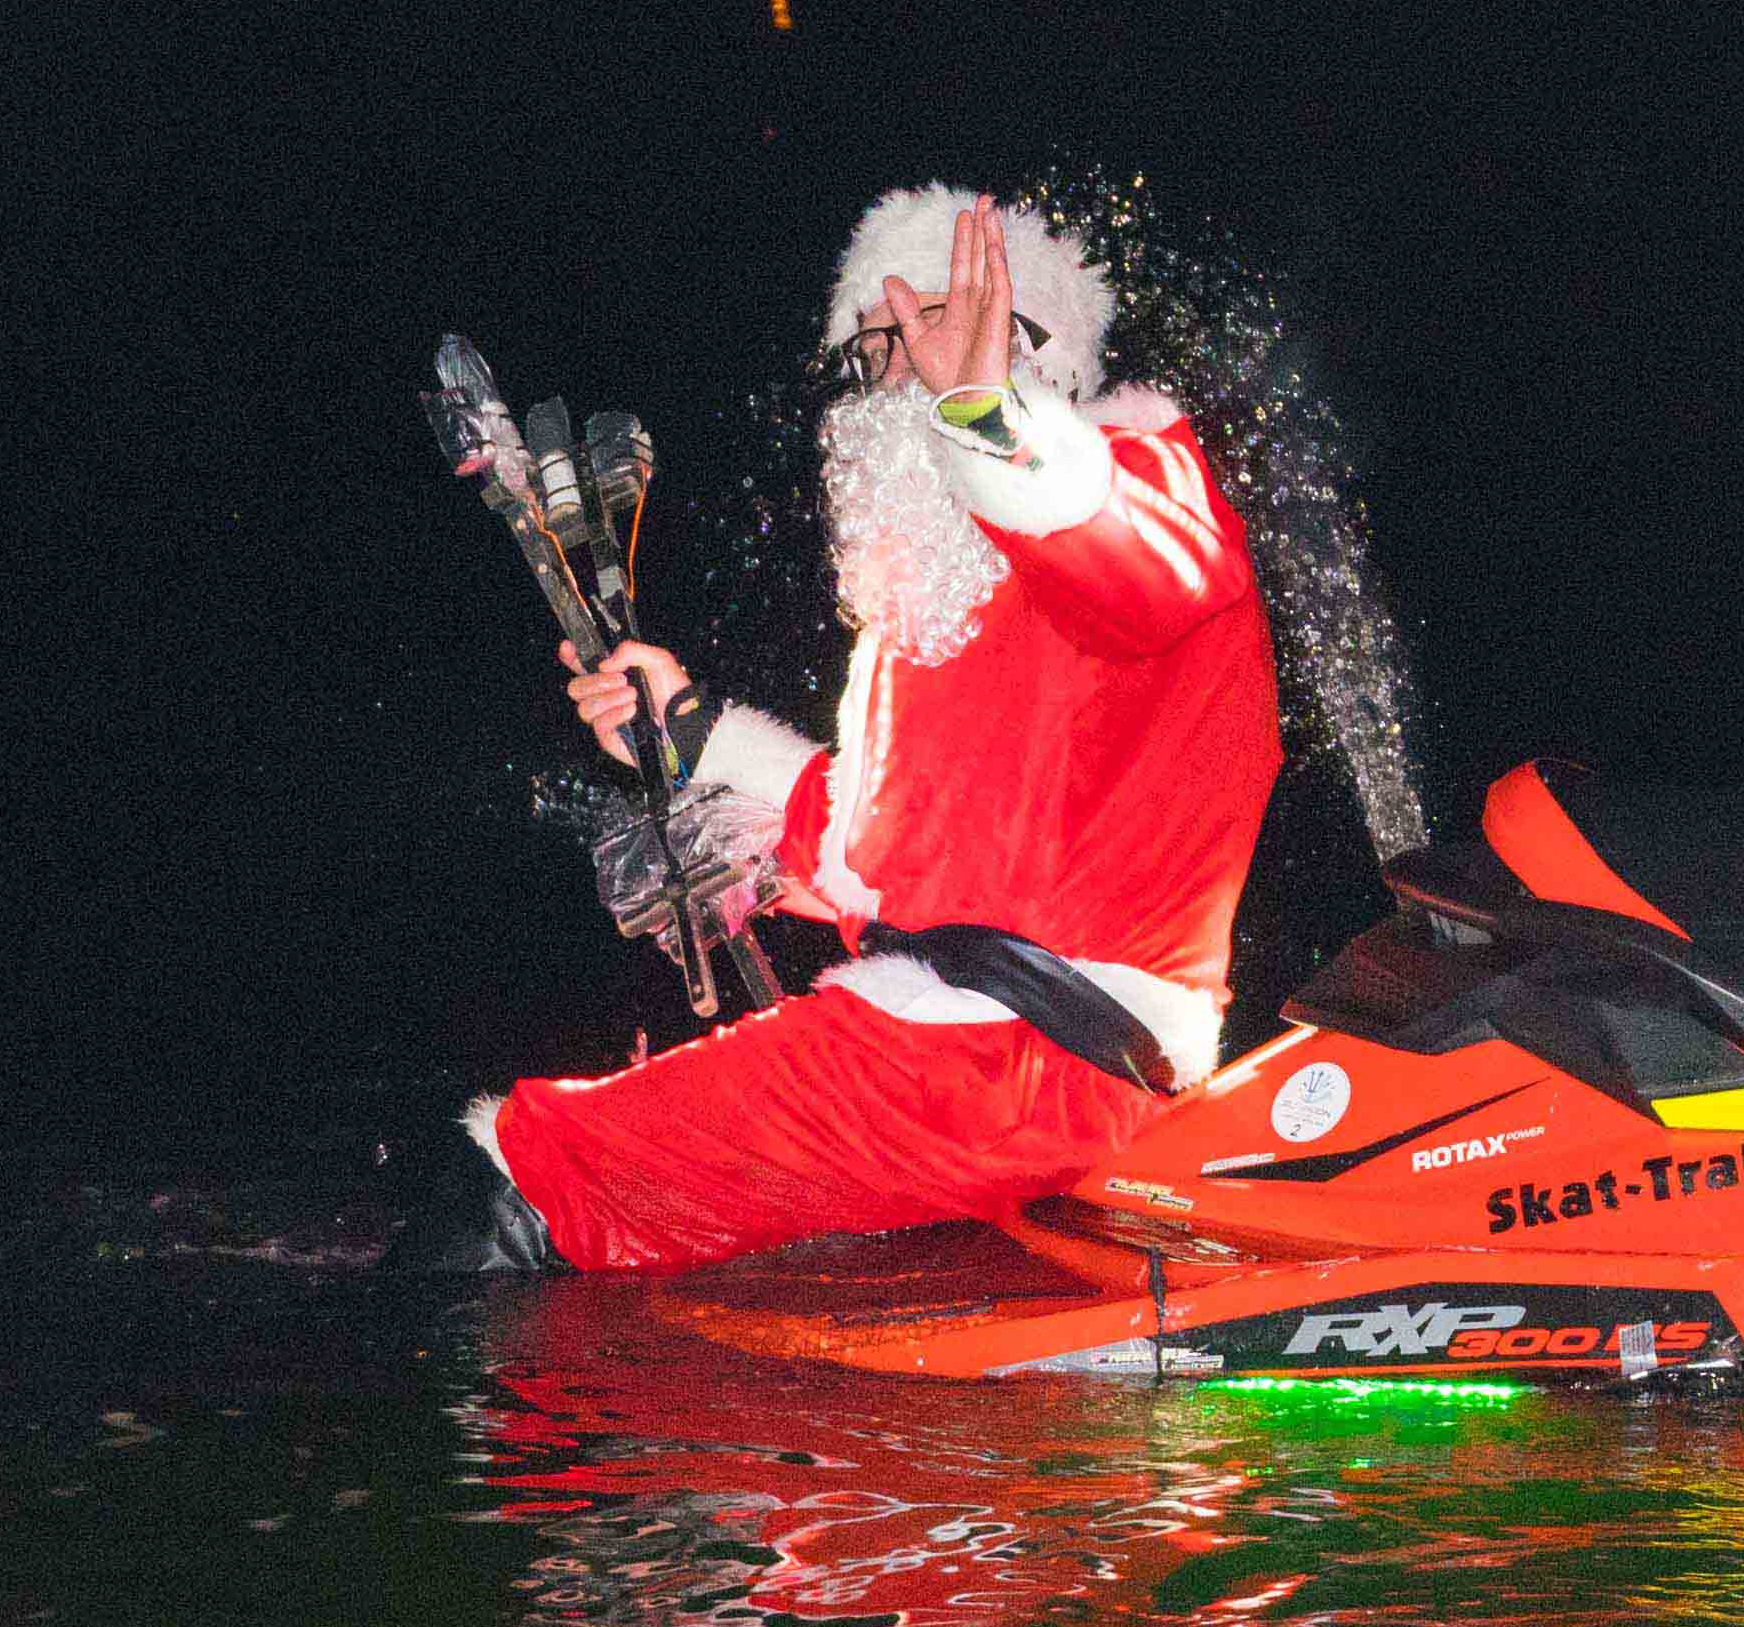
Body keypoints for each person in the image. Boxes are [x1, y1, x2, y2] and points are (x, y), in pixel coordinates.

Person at [427, 186, 1286, 1276]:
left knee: (531, 1166)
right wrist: (696, 735)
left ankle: (391, 1424)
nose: (900, 371)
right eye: (869, 347)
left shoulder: (1135, 478)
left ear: (1043, 350)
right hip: (965, 1057)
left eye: (936, 327)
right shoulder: (943, 605)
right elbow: (899, 851)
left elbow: (1130, 553)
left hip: (1017, 1062)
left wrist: (985, 410)